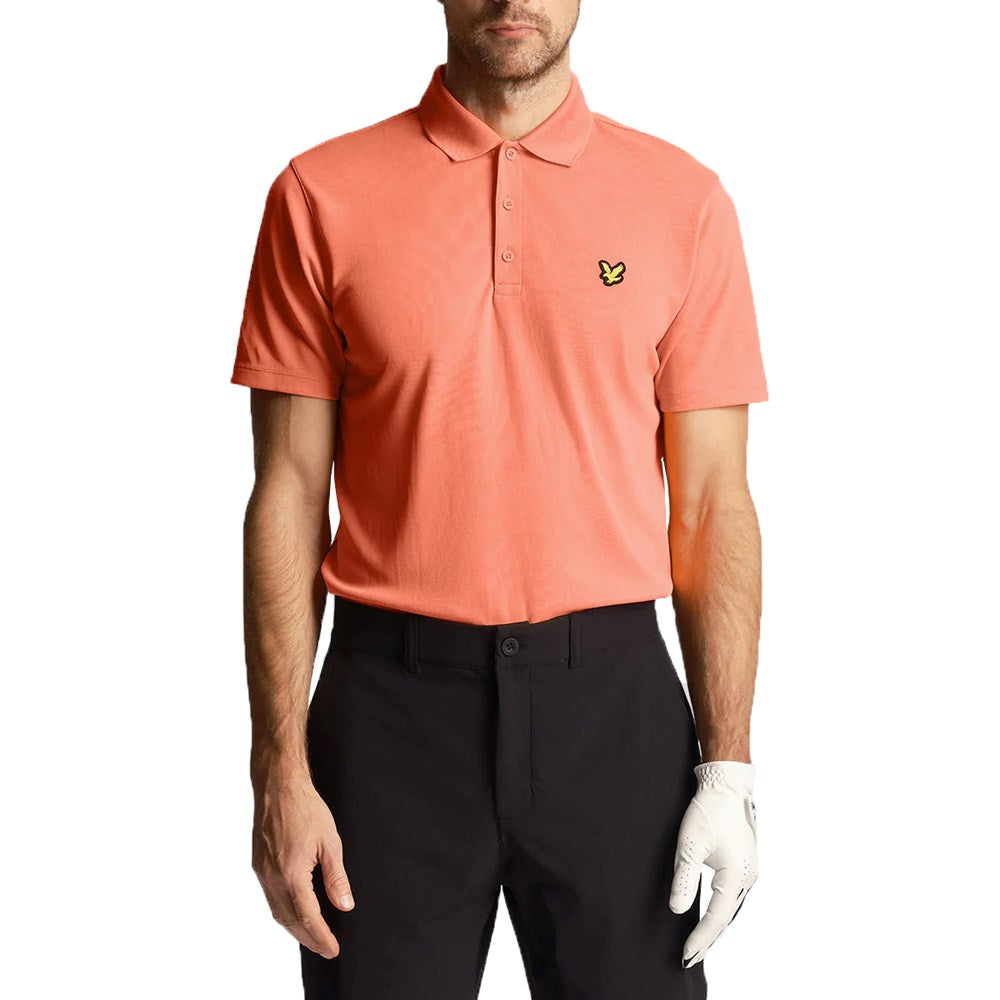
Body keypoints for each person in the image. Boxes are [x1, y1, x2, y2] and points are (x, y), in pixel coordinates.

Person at [229, 2, 768, 997]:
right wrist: (278, 769)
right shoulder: (319, 194)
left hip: (613, 710)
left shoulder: (682, 200)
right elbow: (289, 492)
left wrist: (727, 766)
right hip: (389, 716)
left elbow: (710, 503)